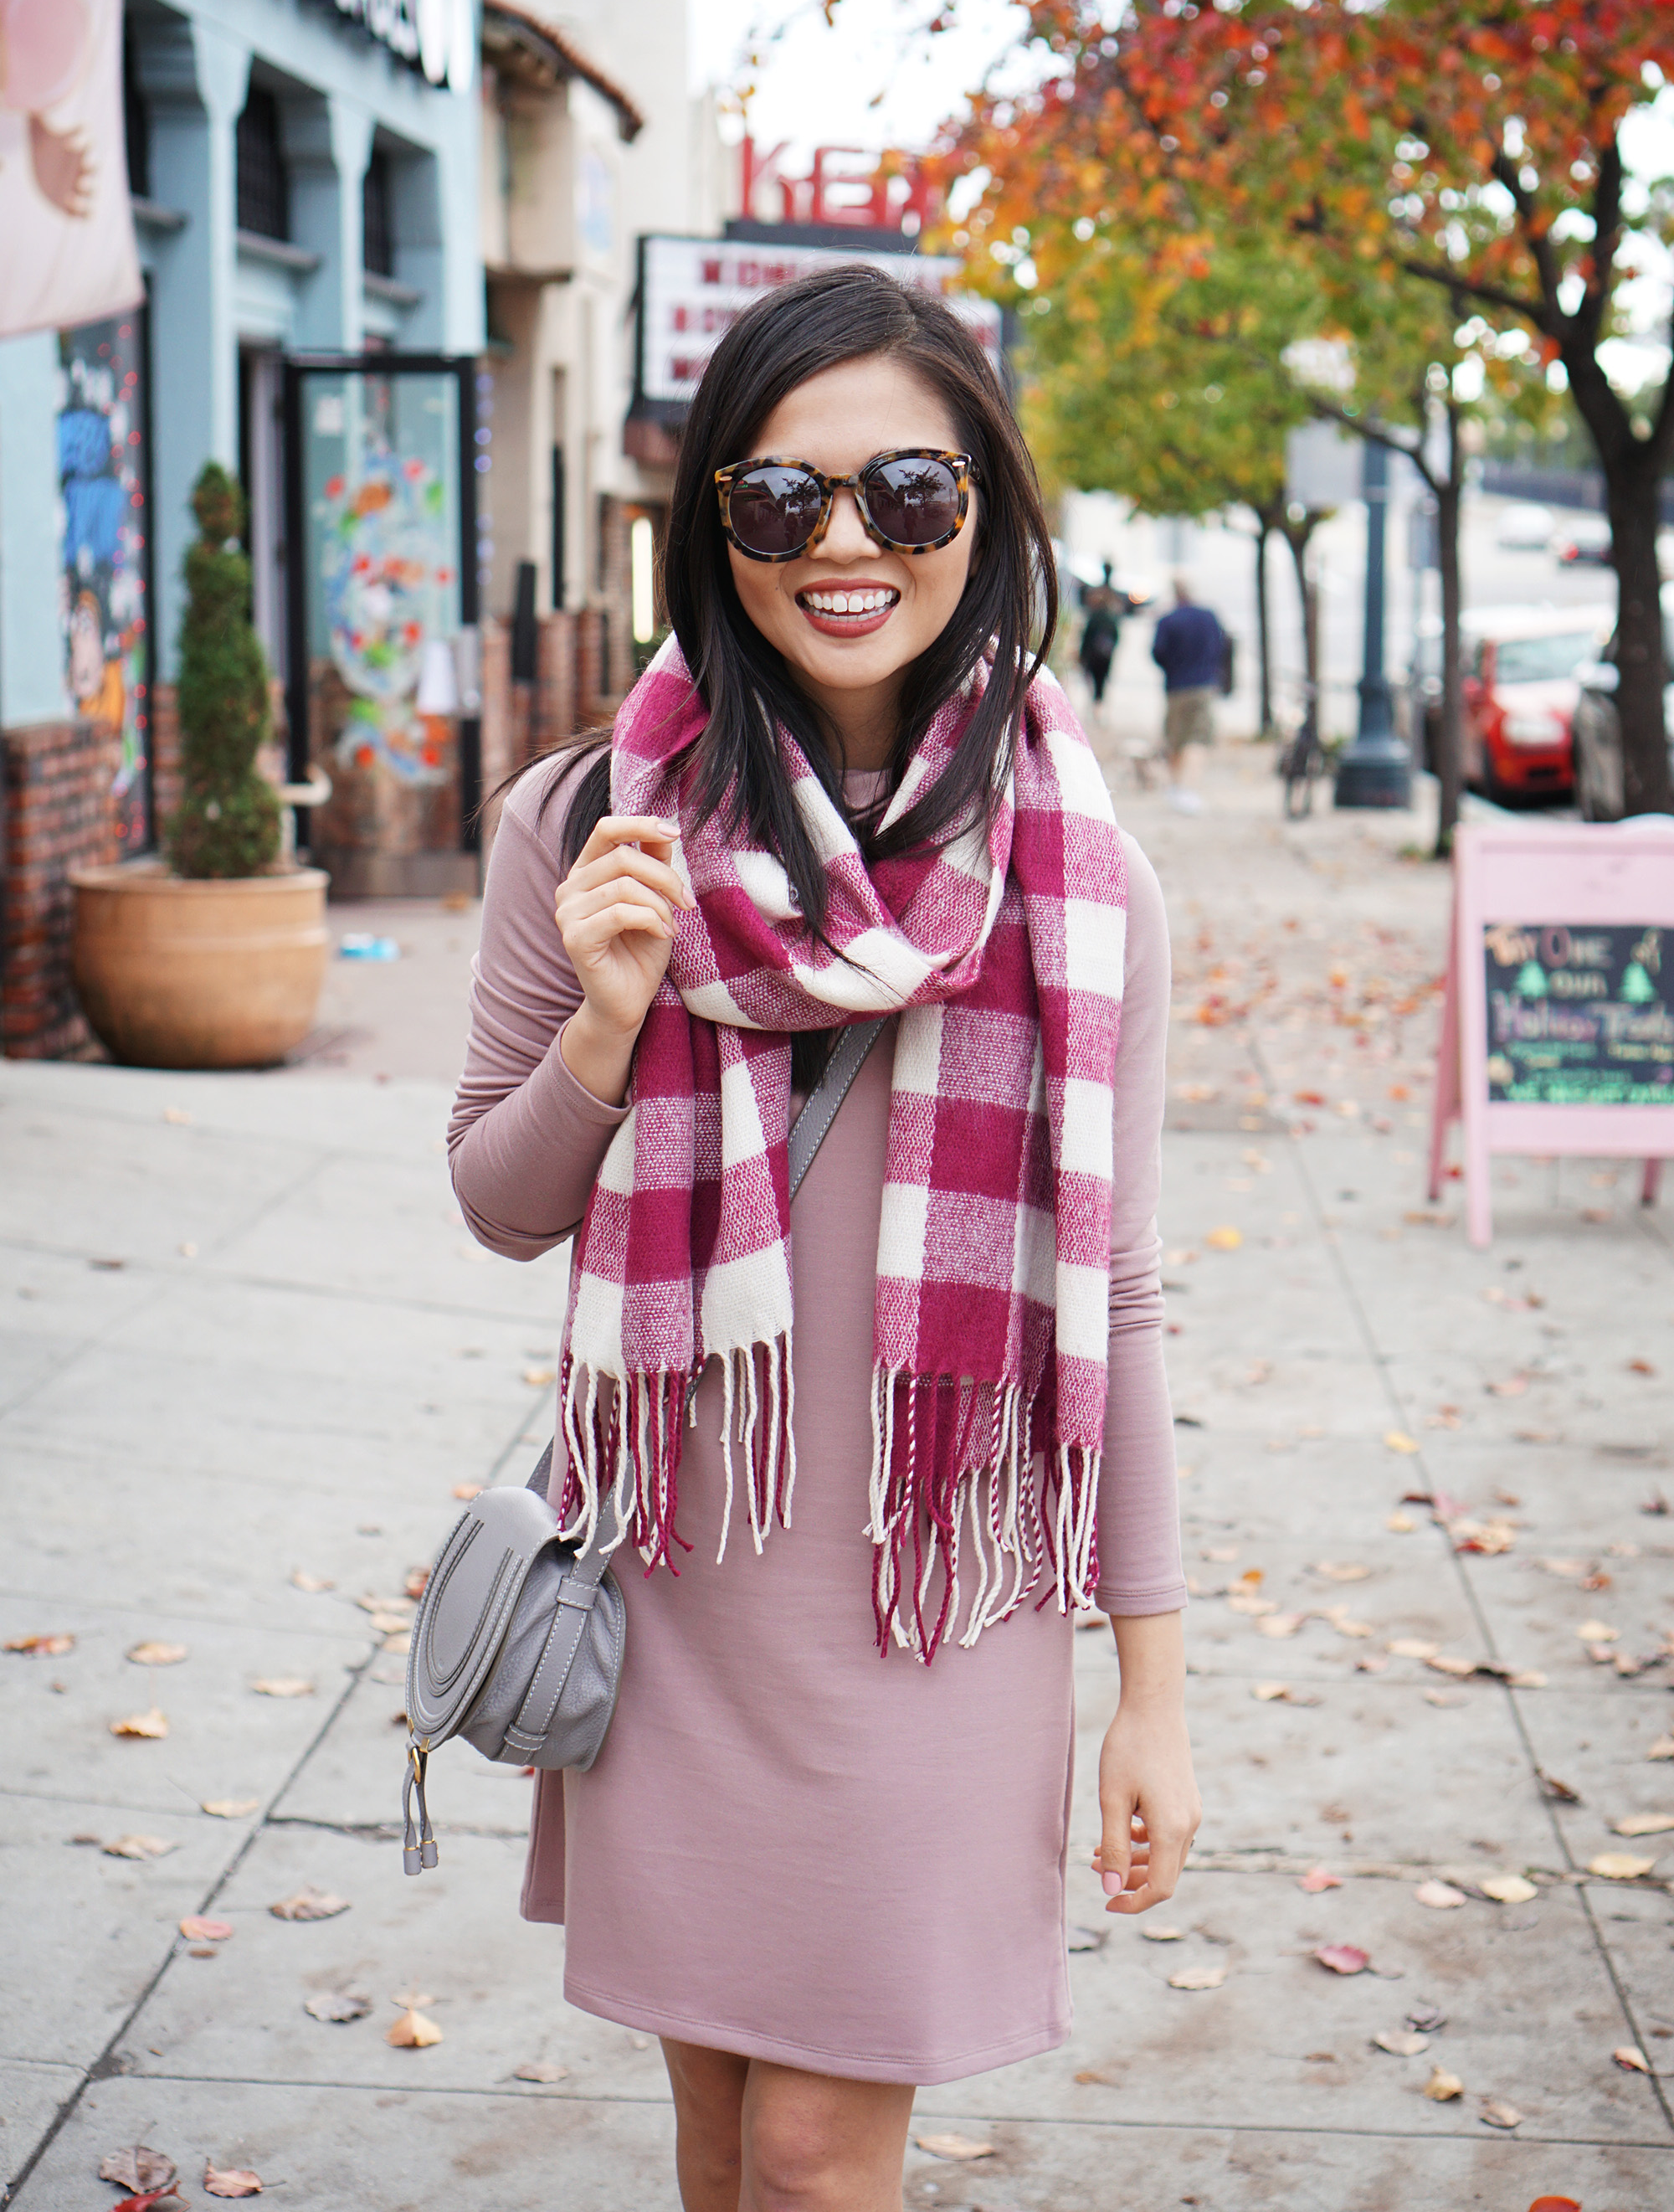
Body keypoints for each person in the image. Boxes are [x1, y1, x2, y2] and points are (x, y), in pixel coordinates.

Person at [449, 265, 1197, 2212]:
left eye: (910, 495)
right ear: (714, 525)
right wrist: (611, 1023)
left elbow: (1112, 1289)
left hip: (939, 1590)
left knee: (809, 2150)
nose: (846, 546)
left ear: (987, 515)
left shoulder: (1083, 879)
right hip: (686, 1571)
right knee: (716, 2136)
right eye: (782, 501)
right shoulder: (583, 825)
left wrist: (1155, 1691)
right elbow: (498, 1199)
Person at [1150, 574, 1228, 814]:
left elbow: (1157, 653)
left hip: (1176, 686)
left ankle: (1175, 786)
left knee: (1175, 737)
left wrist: (1173, 667)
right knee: (1198, 738)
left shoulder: (1167, 620)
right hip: (1203, 685)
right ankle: (1187, 789)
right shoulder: (1209, 616)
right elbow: (1223, 645)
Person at [1076, 561, 1127, 706]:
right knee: (1101, 680)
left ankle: (1096, 704)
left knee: (1094, 679)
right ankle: (1098, 704)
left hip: (1094, 652)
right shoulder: (1112, 602)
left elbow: (1087, 635)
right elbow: (1116, 633)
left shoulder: (1097, 607)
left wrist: (1082, 654)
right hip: (1105, 651)